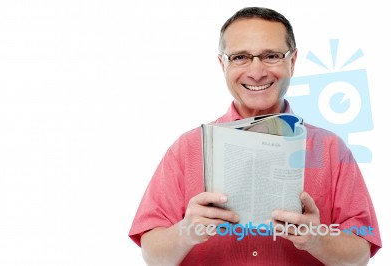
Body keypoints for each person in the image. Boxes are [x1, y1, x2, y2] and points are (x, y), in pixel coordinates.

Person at [129, 7, 382, 265]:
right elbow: (152, 254)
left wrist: (316, 240)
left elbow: (360, 253)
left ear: (292, 62)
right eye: (240, 57)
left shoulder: (331, 149)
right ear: (222, 64)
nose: (257, 71)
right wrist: (186, 232)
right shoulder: (187, 148)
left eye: (271, 55)